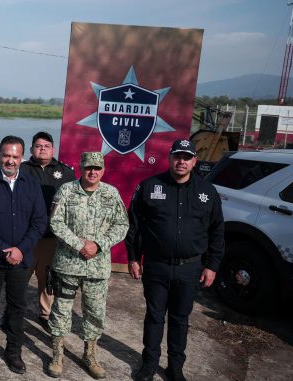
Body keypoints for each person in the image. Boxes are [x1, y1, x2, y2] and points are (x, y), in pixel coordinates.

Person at [126, 139, 225, 381]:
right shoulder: (150, 186)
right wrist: (132, 258)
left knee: (180, 319)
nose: (181, 161)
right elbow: (134, 227)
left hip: (190, 268)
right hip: (156, 266)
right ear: (170, 158)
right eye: (177, 156)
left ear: (194, 161)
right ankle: (149, 364)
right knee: (154, 316)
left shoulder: (207, 192)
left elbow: (217, 231)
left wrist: (212, 265)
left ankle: (175, 367)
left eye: (186, 157)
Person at [45, 152, 128, 379]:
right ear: (81, 168)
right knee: (61, 311)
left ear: (103, 170)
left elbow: (122, 225)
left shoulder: (111, 194)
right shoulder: (66, 190)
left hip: (97, 267)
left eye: (97, 168)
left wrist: (99, 245)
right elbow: (55, 222)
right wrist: (79, 244)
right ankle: (57, 355)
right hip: (68, 265)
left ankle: (90, 354)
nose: (93, 172)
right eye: (89, 167)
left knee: (94, 313)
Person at [0, 135, 47, 375]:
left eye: (15, 156)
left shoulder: (32, 185)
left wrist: (20, 250)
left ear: (22, 158)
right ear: (0, 155)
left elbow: (39, 222)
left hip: (21, 260)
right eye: (6, 155)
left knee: (17, 306)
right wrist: (4, 250)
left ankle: (13, 351)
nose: (10, 160)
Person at [20, 131, 75, 333]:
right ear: (32, 149)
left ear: (53, 149)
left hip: (51, 238)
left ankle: (45, 314)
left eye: (46, 146)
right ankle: (13, 313)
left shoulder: (66, 172)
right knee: (19, 277)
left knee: (48, 279)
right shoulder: (21, 169)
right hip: (25, 237)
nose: (42, 149)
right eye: (38, 146)